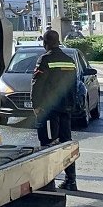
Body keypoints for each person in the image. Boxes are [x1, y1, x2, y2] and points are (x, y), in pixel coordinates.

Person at [32, 29, 78, 191]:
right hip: (66, 108)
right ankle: (71, 180)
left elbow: (37, 84)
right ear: (58, 42)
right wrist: (72, 105)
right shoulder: (69, 60)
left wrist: (36, 105)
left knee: (47, 144)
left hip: (49, 109)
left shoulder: (45, 59)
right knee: (66, 144)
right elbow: (74, 85)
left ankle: (48, 182)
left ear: (46, 43)